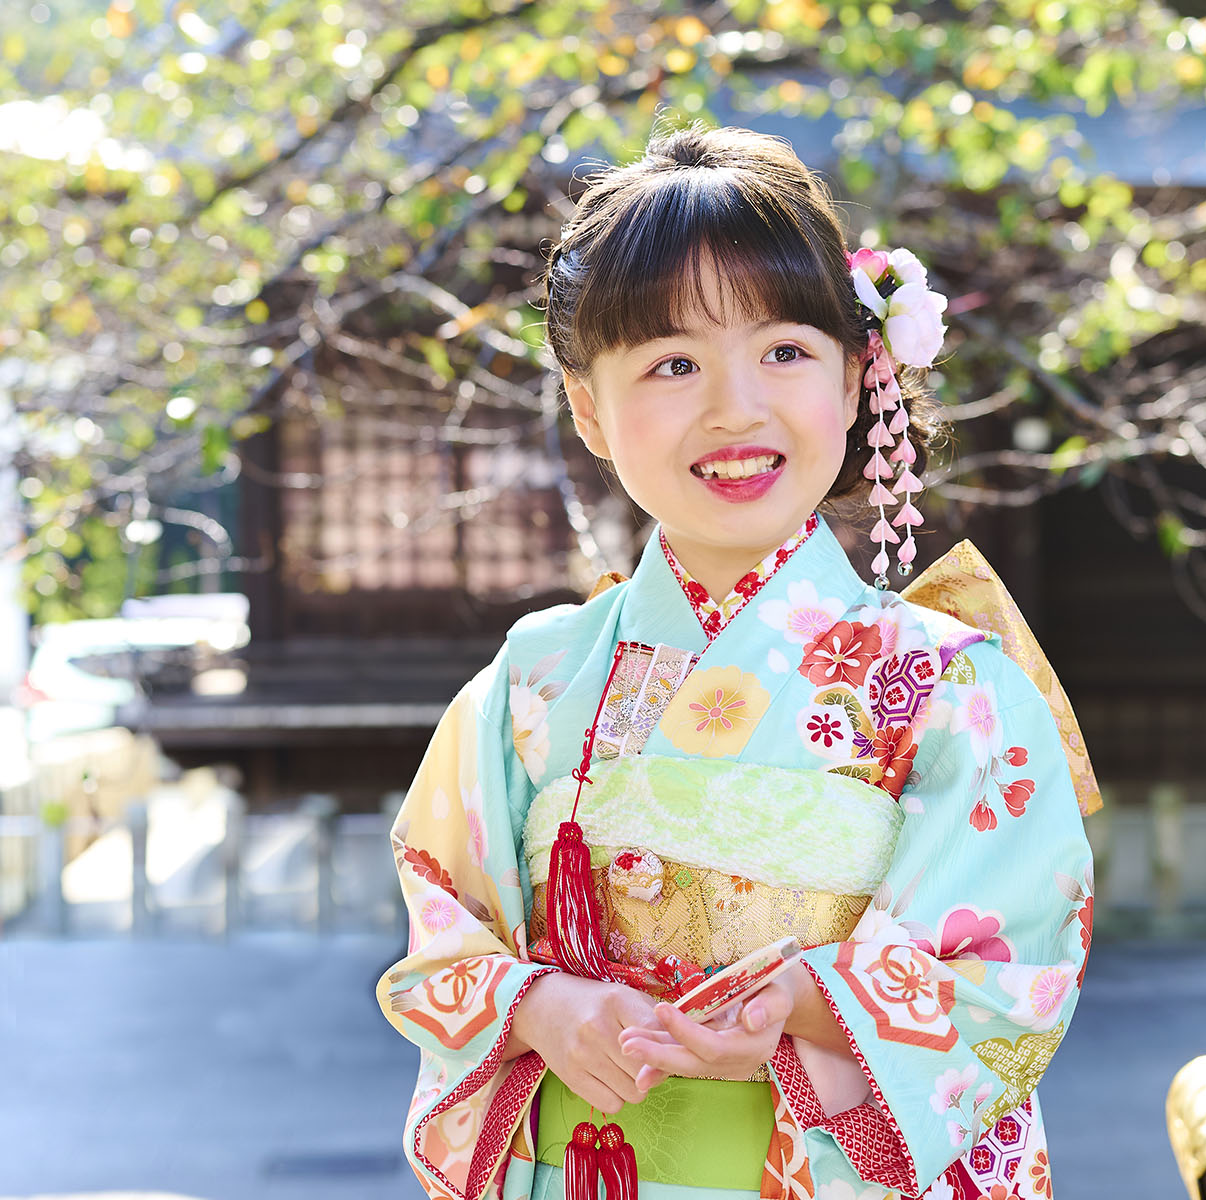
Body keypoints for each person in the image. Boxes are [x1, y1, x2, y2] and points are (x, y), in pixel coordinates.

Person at [376, 120, 1101, 1200]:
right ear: (589, 408)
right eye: (672, 362)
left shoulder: (956, 687)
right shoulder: (533, 681)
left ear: (857, 381)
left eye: (785, 352)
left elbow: (1012, 966)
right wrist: (541, 1006)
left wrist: (804, 1005)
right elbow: (445, 916)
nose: (736, 407)